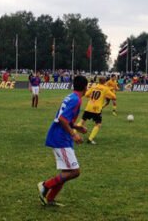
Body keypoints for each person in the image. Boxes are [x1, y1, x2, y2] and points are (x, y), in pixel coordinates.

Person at [37, 75, 88, 207]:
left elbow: (64, 118)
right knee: (74, 171)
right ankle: (45, 185)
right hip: (60, 138)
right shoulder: (76, 100)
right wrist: (73, 135)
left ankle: (50, 199)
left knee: (66, 172)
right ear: (85, 87)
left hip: (61, 136)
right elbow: (62, 119)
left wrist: (77, 127)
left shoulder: (71, 96)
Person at [77, 76, 116, 145]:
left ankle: (72, 134)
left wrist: (92, 97)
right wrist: (105, 95)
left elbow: (86, 94)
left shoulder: (94, 86)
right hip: (97, 109)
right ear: (105, 82)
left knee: (82, 121)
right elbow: (114, 97)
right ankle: (90, 139)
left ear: (98, 80)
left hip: (89, 107)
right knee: (98, 124)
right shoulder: (105, 88)